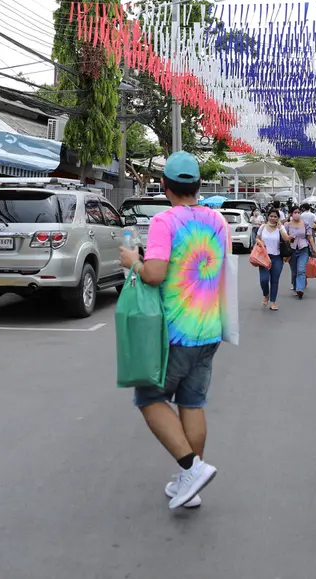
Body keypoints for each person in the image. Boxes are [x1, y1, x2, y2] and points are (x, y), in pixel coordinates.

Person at [120, 151, 228, 510]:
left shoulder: (164, 222)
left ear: (164, 186)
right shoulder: (217, 220)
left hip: (175, 332)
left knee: (149, 398)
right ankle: (190, 485)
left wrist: (132, 260)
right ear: (198, 186)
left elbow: (154, 274)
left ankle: (190, 469)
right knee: (192, 403)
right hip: (210, 327)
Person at [255, 209, 290, 311]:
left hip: (277, 257)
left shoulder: (281, 227)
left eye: (275, 216)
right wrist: (260, 242)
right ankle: (266, 294)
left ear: (278, 218)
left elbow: (287, 239)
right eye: (271, 216)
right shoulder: (263, 227)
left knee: (274, 281)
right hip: (264, 257)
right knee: (264, 279)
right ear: (268, 216)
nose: (273, 218)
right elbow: (257, 238)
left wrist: (280, 228)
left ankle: (273, 302)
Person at [284, 208, 312, 299]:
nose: (297, 214)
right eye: (295, 212)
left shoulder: (305, 224)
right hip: (291, 250)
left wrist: (314, 249)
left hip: (303, 249)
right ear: (291, 214)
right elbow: (283, 237)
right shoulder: (287, 225)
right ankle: (296, 286)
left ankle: (300, 289)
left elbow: (309, 237)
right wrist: (289, 238)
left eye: (298, 212)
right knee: (294, 270)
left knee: (301, 269)